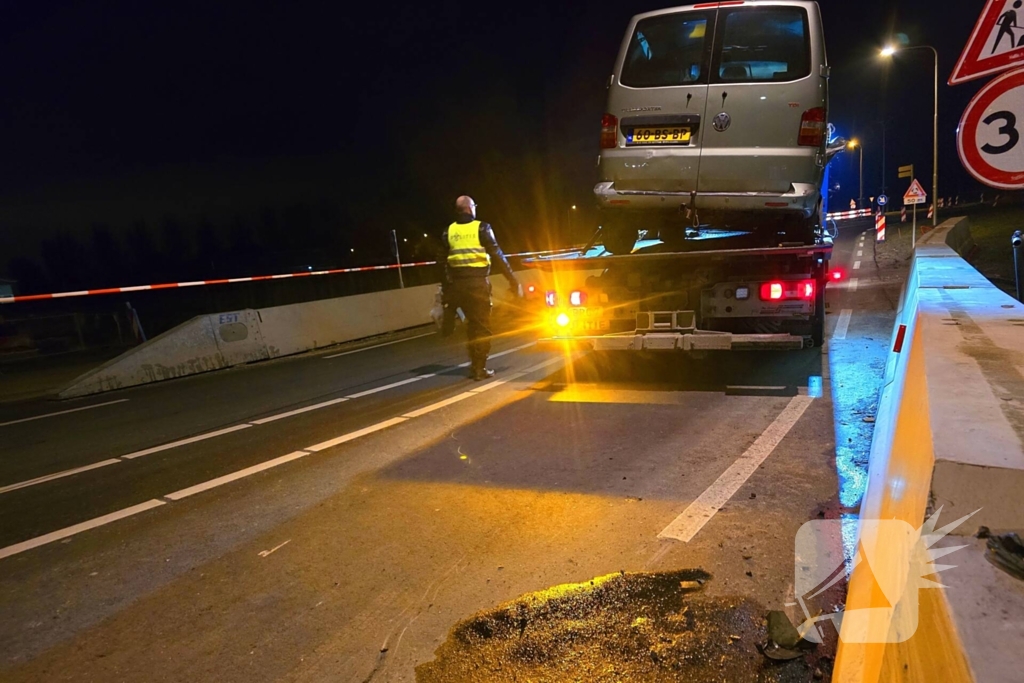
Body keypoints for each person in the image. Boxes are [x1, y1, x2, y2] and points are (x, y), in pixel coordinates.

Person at [439, 195, 522, 380]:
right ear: (470, 208)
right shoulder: (482, 228)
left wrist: (446, 288)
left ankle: (473, 364)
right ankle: (480, 368)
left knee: (471, 326)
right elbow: (497, 255)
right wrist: (513, 280)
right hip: (477, 285)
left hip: (457, 285)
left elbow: (441, 262)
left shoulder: (448, 231)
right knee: (482, 327)